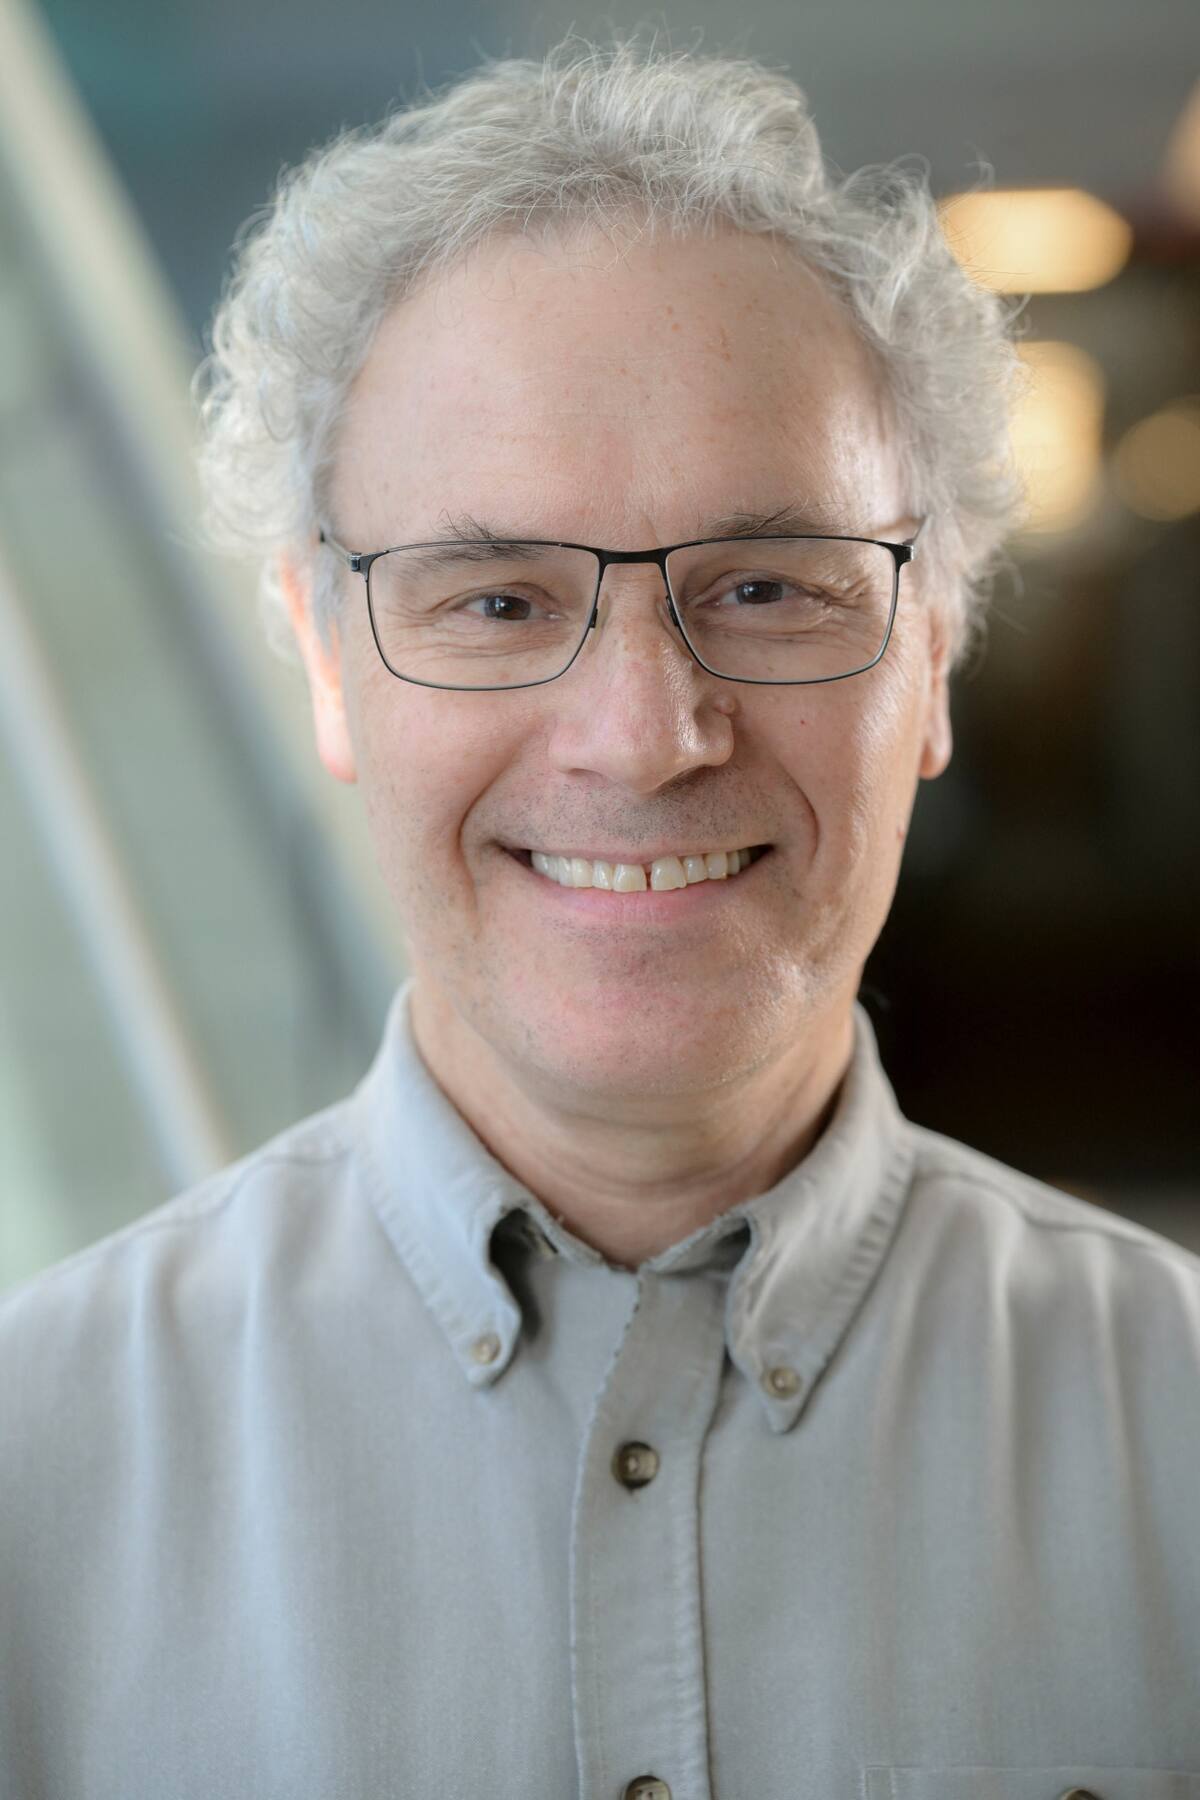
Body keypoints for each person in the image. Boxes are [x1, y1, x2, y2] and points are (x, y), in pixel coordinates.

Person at [2, 36, 1197, 1800]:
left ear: (934, 654)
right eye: (496, 598)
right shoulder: (34, 1471)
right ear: (326, 662)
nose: (644, 737)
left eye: (771, 587)